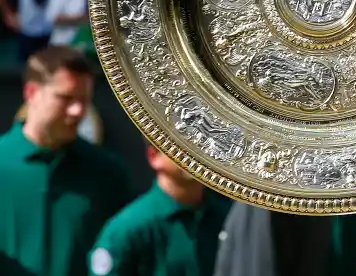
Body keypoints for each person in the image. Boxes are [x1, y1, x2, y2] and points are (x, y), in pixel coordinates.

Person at [0, 47, 133, 276]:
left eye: (84, 100)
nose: (77, 111)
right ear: (31, 93)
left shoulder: (108, 173)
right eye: (65, 98)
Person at [88, 145, 230, 276]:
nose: (193, 152)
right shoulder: (127, 229)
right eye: (182, 143)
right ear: (154, 156)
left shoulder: (229, 218)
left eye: (201, 143)